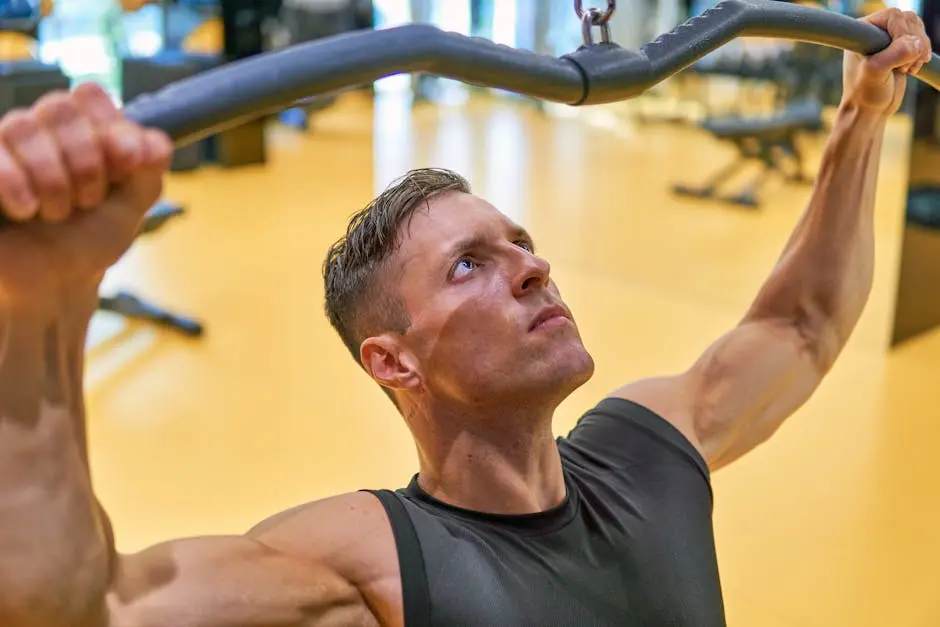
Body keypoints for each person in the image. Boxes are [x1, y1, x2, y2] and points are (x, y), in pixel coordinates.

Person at [0, 8, 930, 627]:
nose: (534, 269)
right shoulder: (380, 561)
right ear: (392, 361)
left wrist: (863, 111)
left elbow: (801, 325)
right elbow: (87, 610)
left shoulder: (645, 451)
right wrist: (45, 301)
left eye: (520, 242)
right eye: (469, 265)